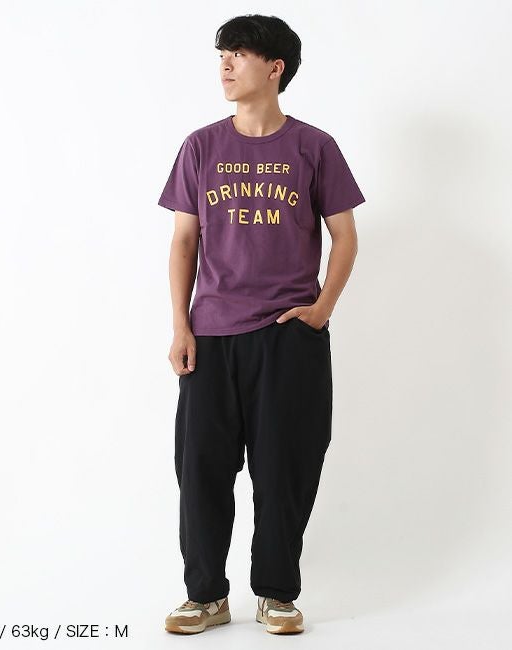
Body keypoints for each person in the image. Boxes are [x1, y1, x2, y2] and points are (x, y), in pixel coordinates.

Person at [158, 13, 365, 635]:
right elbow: (184, 242)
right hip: (212, 333)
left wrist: (321, 311)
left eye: (238, 53)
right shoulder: (201, 146)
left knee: (285, 468)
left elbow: (346, 235)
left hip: (288, 333)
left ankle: (276, 594)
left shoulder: (314, 146)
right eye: (221, 54)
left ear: (275, 68)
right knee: (200, 470)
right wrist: (181, 326)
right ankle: (205, 596)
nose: (224, 65)